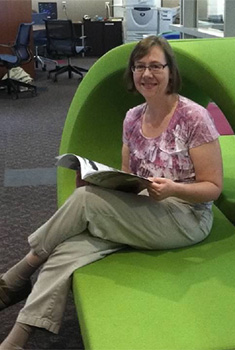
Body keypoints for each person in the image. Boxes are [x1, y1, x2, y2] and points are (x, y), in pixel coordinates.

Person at [0, 35, 223, 349]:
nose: (147, 74)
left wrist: (173, 188)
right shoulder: (133, 118)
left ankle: (19, 273)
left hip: (187, 218)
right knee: (67, 250)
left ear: (170, 71)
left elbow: (213, 189)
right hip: (145, 209)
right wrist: (103, 181)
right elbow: (128, 177)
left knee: (85, 201)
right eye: (140, 66)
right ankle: (17, 338)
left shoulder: (193, 117)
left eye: (156, 66)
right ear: (132, 73)